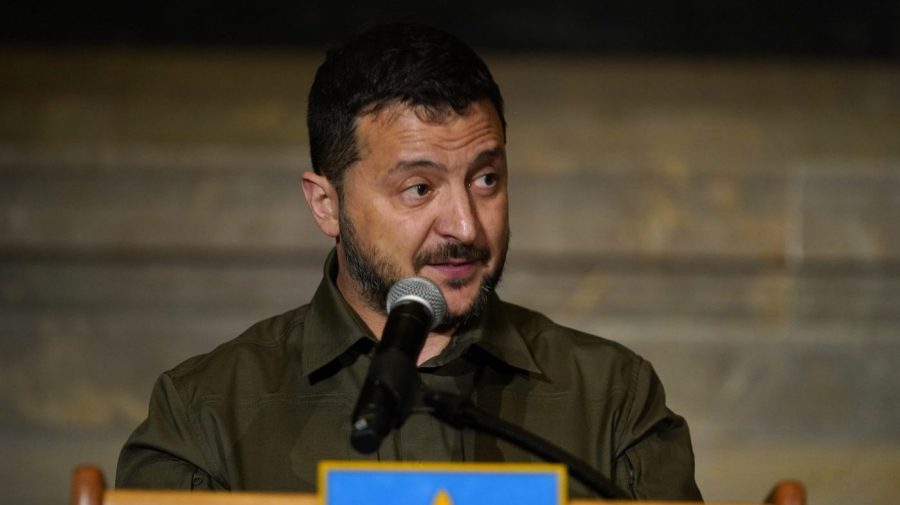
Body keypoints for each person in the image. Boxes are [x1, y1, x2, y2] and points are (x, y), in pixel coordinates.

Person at [116, 23, 702, 501]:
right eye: (419, 189)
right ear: (327, 204)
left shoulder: (612, 395)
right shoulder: (204, 413)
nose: (466, 226)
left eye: (486, 179)